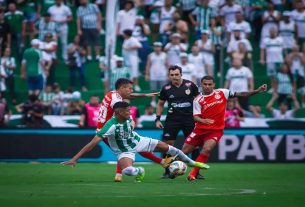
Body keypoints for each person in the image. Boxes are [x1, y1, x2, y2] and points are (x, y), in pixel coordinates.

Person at [61, 101, 209, 182]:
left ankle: (193, 163)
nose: (130, 112)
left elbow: (131, 123)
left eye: (129, 110)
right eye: (127, 111)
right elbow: (92, 144)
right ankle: (140, 171)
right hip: (123, 151)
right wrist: (75, 159)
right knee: (128, 171)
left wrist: (131, 127)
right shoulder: (110, 126)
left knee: (170, 148)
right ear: (118, 113)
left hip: (139, 140)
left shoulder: (126, 115)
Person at [180, 75, 267, 181]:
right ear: (201, 85)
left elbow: (241, 94)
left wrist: (257, 91)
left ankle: (193, 174)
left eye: (210, 84)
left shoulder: (222, 92)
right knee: (183, 152)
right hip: (199, 130)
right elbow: (195, 117)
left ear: (214, 85)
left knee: (207, 149)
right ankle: (170, 170)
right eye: (205, 84)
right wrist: (204, 121)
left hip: (215, 130)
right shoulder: (198, 100)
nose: (207, 86)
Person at [96, 78, 169, 182]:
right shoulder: (117, 101)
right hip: (108, 130)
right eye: (129, 88)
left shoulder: (111, 94)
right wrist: (131, 122)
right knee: (126, 148)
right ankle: (162, 162)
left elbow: (129, 96)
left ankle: (119, 174)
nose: (131, 91)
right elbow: (126, 108)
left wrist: (146, 95)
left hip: (103, 128)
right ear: (122, 88)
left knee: (126, 148)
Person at [155, 65, 200, 179]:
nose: (174, 77)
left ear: (181, 74)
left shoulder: (190, 85)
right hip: (172, 120)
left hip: (189, 119)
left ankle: (196, 173)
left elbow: (200, 100)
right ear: (169, 76)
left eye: (176, 74)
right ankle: (167, 171)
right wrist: (157, 119)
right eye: (172, 75)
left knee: (194, 145)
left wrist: (200, 116)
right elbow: (160, 104)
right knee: (167, 146)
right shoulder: (165, 88)